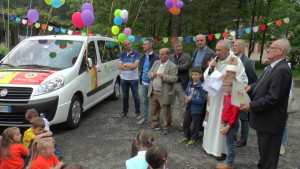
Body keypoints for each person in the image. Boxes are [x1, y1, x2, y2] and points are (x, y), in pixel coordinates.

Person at [240, 39, 292, 169]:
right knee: (264, 155)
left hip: (271, 122)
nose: (267, 49)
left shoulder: (282, 70)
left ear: (280, 51)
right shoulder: (272, 66)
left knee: (269, 160)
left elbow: (273, 98)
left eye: (271, 47)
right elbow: (260, 82)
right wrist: (251, 87)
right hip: (264, 121)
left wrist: (251, 105)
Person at [202, 40, 248, 160]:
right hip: (214, 97)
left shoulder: (236, 61)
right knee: (212, 122)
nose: (217, 53)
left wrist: (228, 77)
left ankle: (221, 150)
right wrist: (211, 68)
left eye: (219, 50)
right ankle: (209, 146)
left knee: (221, 123)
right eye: (216, 50)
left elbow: (243, 80)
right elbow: (206, 76)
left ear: (227, 50)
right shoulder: (216, 60)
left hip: (226, 100)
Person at [233, 39, 258, 148]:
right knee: (232, 115)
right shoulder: (231, 59)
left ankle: (243, 139)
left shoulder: (248, 62)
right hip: (231, 91)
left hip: (242, 92)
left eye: (236, 46)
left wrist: (248, 90)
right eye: (233, 45)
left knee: (243, 117)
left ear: (243, 48)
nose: (234, 47)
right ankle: (232, 135)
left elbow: (253, 79)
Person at [148, 48, 178, 135]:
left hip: (163, 92)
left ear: (168, 55)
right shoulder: (156, 63)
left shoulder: (173, 66)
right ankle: (155, 124)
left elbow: (175, 78)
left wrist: (164, 76)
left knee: (165, 110)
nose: (160, 56)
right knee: (154, 109)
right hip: (153, 91)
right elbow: (148, 73)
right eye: (159, 54)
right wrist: (151, 75)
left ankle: (166, 127)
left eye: (162, 54)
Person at [216, 74, 240, 169]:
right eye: (223, 85)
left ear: (232, 86)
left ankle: (229, 163)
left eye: (226, 86)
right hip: (227, 123)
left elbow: (234, 115)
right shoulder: (227, 96)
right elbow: (225, 110)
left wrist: (228, 126)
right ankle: (228, 161)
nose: (224, 87)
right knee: (228, 143)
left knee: (230, 144)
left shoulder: (235, 98)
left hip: (231, 124)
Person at [179, 67, 206, 147]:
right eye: (193, 74)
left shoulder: (202, 86)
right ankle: (187, 136)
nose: (194, 76)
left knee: (195, 125)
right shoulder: (190, 83)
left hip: (197, 109)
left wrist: (191, 99)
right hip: (189, 106)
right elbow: (187, 93)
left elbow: (201, 100)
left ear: (200, 75)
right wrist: (187, 98)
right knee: (186, 122)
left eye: (196, 74)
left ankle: (194, 138)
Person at [169, 40, 191, 130]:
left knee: (183, 105)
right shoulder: (170, 57)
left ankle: (182, 124)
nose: (178, 48)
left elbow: (185, 67)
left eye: (180, 46)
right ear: (173, 48)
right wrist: (176, 67)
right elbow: (166, 67)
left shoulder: (187, 56)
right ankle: (170, 122)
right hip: (171, 83)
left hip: (181, 83)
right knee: (170, 104)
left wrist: (173, 67)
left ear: (182, 46)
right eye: (176, 46)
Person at [137, 39, 159, 125]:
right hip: (144, 81)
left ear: (150, 46)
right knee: (144, 100)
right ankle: (144, 117)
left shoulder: (156, 56)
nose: (143, 46)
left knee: (154, 102)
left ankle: (155, 120)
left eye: (145, 44)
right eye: (143, 44)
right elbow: (141, 68)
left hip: (152, 82)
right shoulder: (143, 56)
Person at [118, 39, 141, 119]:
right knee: (124, 96)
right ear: (124, 46)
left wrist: (124, 65)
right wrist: (129, 66)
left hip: (133, 79)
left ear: (131, 44)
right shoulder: (122, 54)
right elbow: (119, 66)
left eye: (128, 44)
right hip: (123, 78)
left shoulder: (136, 53)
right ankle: (124, 111)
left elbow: (135, 66)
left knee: (136, 97)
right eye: (125, 44)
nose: (127, 45)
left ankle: (137, 112)